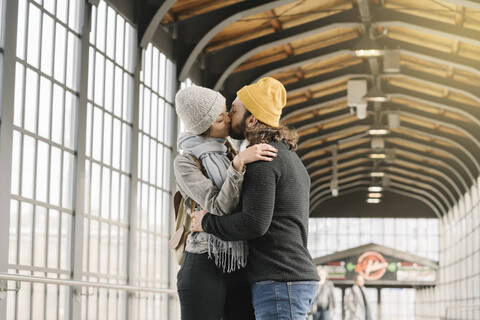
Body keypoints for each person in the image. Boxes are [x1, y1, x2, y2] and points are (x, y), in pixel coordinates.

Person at [191, 77, 320, 319]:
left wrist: (206, 222)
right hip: (292, 277)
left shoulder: (263, 160)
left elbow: (254, 223)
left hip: (280, 281)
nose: (229, 115)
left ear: (251, 120)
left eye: (234, 109)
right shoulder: (290, 158)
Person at [173, 85, 278, 320]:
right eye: (221, 119)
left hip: (238, 263)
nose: (229, 121)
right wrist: (238, 165)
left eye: (226, 112)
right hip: (203, 263)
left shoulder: (228, 151)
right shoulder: (186, 163)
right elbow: (219, 206)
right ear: (203, 128)